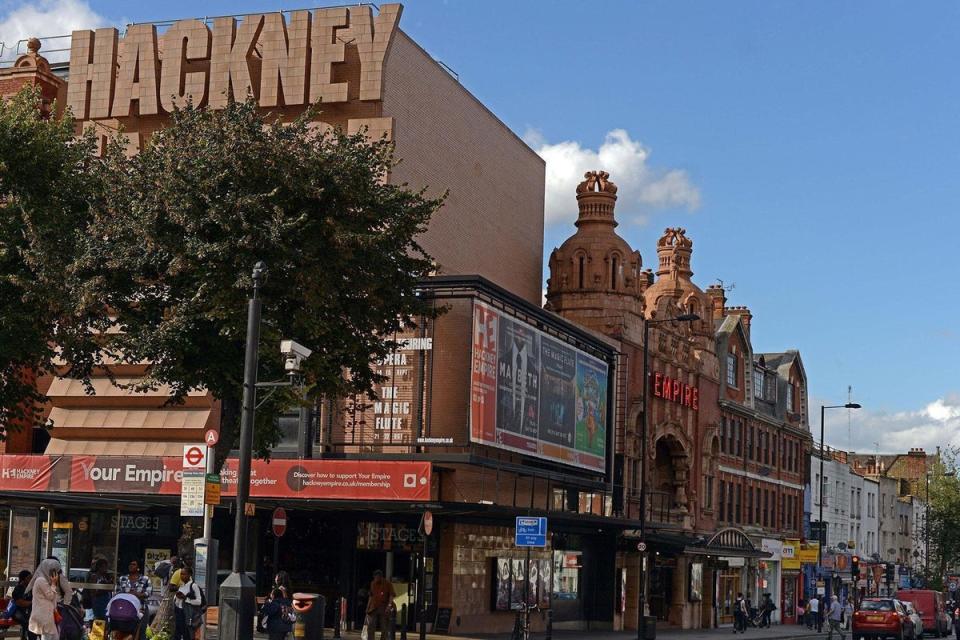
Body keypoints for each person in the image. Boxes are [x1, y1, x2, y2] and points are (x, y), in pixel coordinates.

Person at [26, 559, 72, 640]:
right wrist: (54, 583)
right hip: (43, 614)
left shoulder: (45, 580)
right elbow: (50, 596)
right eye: (52, 571)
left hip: (48, 614)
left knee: (54, 636)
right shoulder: (41, 580)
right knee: (48, 636)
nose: (54, 574)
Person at [173, 567, 202, 640]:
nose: (182, 576)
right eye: (181, 574)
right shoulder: (181, 586)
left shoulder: (193, 586)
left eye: (184, 574)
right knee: (178, 633)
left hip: (188, 614)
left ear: (189, 575)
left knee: (187, 634)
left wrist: (185, 598)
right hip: (179, 612)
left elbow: (199, 602)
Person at [365, 570, 395, 640]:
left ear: (381, 577)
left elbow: (391, 595)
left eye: (378, 577)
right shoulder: (372, 583)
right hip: (374, 606)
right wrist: (367, 607)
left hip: (384, 606)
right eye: (375, 577)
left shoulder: (387, 584)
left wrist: (389, 606)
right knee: (371, 625)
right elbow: (371, 595)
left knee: (384, 626)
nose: (376, 579)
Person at [10, 570, 36, 640]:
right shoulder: (18, 589)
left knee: (32, 621)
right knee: (28, 622)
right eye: (29, 578)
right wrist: (33, 602)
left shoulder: (31, 588)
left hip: (28, 612)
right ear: (23, 579)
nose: (31, 580)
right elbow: (20, 603)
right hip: (17, 612)